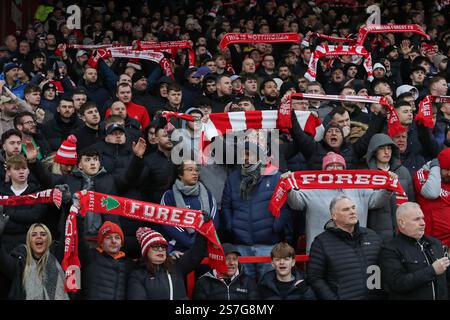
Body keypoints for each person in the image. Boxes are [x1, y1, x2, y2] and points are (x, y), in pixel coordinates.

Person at [286, 152, 392, 252]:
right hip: (321, 250)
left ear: (344, 169)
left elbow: (376, 201)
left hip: (355, 248)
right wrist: (288, 189)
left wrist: (388, 189)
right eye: (330, 165)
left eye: (339, 165)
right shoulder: (312, 187)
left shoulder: (358, 186)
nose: (335, 169)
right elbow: (296, 203)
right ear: (323, 170)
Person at [222, 141, 292, 279]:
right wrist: (231, 226)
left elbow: (284, 206)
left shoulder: (275, 176)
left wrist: (275, 227)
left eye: (250, 154)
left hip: (267, 244)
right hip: (241, 245)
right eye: (243, 154)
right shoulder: (232, 178)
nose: (246, 157)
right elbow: (226, 206)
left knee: (267, 285)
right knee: (245, 288)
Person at [307, 195, 383, 300]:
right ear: (334, 216)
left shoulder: (372, 235)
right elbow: (315, 278)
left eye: (353, 207)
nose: (352, 211)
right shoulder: (321, 242)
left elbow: (384, 268)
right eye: (346, 209)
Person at [379, 202, 450, 300]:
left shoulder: (435, 243)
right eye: (417, 219)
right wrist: (432, 270)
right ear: (402, 223)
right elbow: (397, 283)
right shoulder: (390, 249)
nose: (423, 223)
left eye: (422, 218)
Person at [127, 226, 207, 300]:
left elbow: (197, 252)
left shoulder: (176, 266)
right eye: (155, 247)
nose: (160, 249)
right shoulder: (137, 275)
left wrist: (203, 228)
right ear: (146, 251)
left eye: (163, 247)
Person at [0, 219, 69, 300]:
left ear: (48, 239)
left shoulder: (57, 256)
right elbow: (3, 262)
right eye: (34, 235)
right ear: (29, 241)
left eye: (43, 234)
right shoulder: (20, 260)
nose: (38, 236)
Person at [160, 159, 218, 254]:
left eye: (196, 170)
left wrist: (200, 242)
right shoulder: (169, 196)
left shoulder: (208, 195)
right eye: (190, 170)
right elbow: (168, 222)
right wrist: (191, 242)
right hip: (178, 250)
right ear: (180, 174)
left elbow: (214, 220)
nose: (195, 173)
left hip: (204, 248)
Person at [365, 133, 415, 241]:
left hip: (403, 230)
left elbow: (411, 201)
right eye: (382, 148)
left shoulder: (403, 172)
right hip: (376, 233)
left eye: (389, 148)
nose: (387, 152)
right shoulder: (367, 175)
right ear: (374, 151)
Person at [77, 220, 136, 300]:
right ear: (101, 243)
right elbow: (78, 239)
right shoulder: (90, 256)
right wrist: (78, 217)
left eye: (117, 238)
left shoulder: (130, 265)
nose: (113, 241)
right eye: (108, 237)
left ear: (121, 243)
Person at [193, 243, 258, 300]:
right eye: (227, 259)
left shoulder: (248, 282)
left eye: (234, 259)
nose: (232, 263)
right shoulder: (203, 282)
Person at [413, 148, 450, 247]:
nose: (449, 174)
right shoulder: (423, 173)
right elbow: (432, 193)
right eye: (446, 169)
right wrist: (435, 168)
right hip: (432, 241)